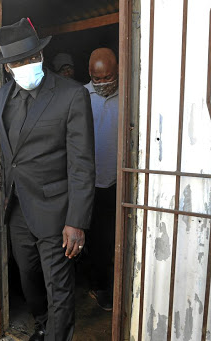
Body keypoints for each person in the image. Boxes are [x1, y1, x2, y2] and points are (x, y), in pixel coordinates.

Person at [0, 18, 95, 341]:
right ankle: (42, 322)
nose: (26, 65)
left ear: (41, 55)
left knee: (59, 286)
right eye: (18, 62)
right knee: (27, 275)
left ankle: (56, 334)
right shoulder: (2, 96)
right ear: (8, 67)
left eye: (31, 57)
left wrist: (76, 221)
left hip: (57, 211)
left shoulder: (72, 95)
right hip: (18, 206)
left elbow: (82, 164)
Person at [83, 47, 119, 312]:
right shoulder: (80, 95)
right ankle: (99, 287)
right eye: (98, 79)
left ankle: (109, 285)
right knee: (94, 238)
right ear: (90, 74)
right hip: (87, 181)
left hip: (118, 180)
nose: (104, 83)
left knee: (113, 238)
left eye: (109, 77)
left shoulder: (129, 95)